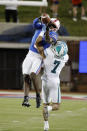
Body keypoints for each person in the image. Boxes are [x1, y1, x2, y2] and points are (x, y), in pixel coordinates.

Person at [22, 14, 60, 108]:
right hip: (30, 54)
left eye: (52, 25)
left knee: (33, 75)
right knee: (26, 76)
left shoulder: (54, 34)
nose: (51, 25)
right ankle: (26, 98)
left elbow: (47, 40)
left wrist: (46, 29)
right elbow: (34, 24)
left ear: (56, 28)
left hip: (39, 57)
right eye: (50, 23)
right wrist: (41, 17)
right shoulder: (42, 26)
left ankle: (38, 96)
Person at [41, 41, 69, 130]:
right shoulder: (65, 57)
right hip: (54, 81)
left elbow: (41, 48)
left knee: (45, 104)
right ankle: (49, 109)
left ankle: (46, 125)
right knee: (56, 106)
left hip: (45, 81)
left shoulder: (48, 52)